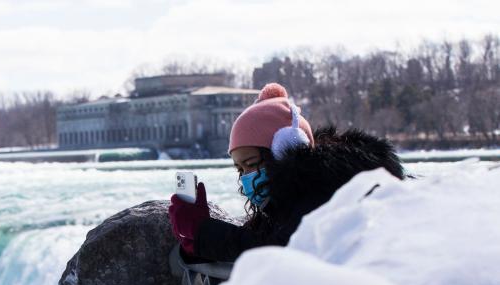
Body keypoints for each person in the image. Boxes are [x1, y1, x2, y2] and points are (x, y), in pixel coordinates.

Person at [169, 83, 405, 263]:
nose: (245, 177)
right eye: (239, 169)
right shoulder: (285, 201)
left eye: (250, 164)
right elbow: (256, 240)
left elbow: (279, 250)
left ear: (284, 149)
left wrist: (202, 232)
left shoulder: (323, 189)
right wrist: (195, 244)